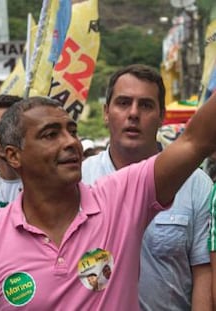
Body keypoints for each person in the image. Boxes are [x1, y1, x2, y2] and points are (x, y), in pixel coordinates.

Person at [0, 92, 216, 310]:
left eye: (72, 131)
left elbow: (194, 142)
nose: (71, 143)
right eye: (51, 134)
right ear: (13, 155)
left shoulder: (121, 197)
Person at [81, 64, 212, 310]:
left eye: (145, 105)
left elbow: (203, 271)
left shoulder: (195, 184)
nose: (133, 113)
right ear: (105, 112)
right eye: (123, 103)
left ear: (161, 115)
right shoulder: (78, 180)